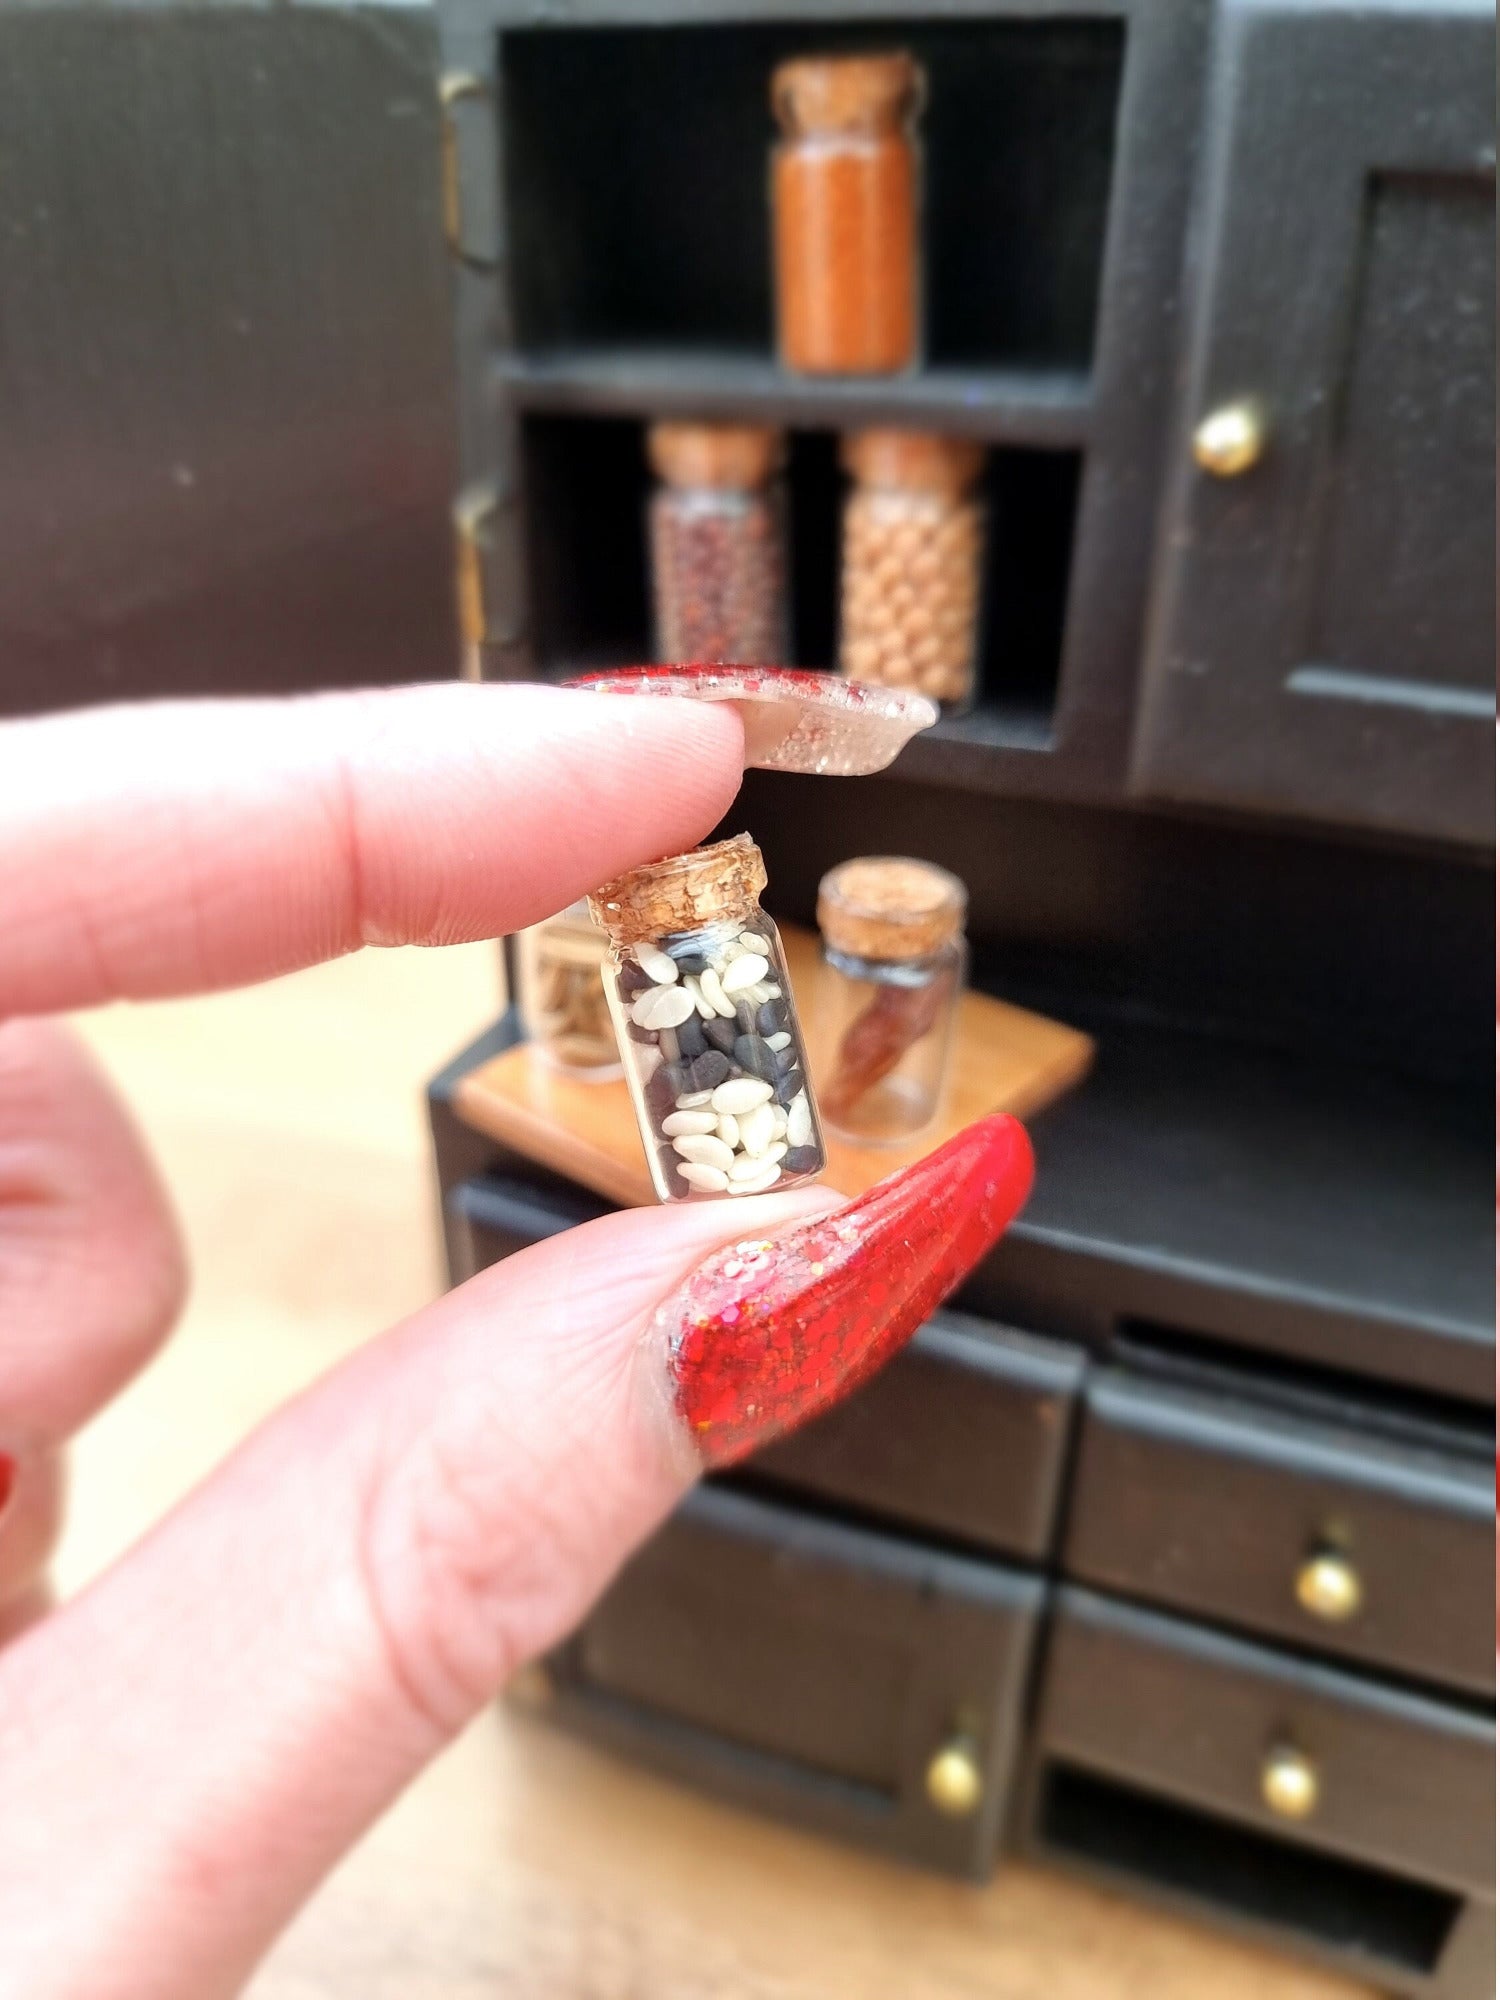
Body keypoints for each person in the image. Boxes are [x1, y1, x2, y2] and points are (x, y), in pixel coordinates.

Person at [0, 682, 1029, 1996]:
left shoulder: (714, 955)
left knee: (735, 1174)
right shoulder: (677, 961)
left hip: (729, 1200)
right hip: (726, 1210)